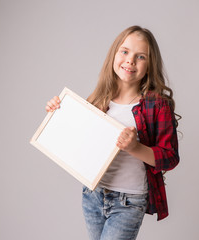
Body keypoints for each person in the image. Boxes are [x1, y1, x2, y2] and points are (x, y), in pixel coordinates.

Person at [45, 25, 180, 240]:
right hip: (93, 194)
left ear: (149, 65)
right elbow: (77, 140)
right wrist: (58, 112)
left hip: (129, 200)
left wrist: (135, 147)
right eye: (125, 52)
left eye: (141, 56)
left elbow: (170, 157)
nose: (130, 61)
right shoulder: (99, 99)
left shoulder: (156, 105)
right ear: (114, 54)